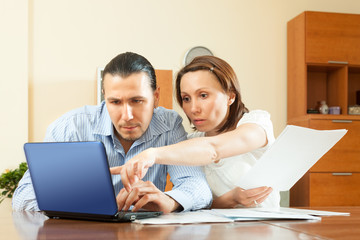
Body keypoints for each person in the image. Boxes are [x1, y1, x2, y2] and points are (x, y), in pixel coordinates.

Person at [12, 52, 212, 213]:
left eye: (137, 101)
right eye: (115, 102)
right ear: (104, 96)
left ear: (156, 96)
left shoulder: (169, 125)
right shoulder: (70, 127)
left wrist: (169, 201)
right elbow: (23, 197)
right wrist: (86, 204)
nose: (127, 116)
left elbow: (198, 188)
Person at [112, 55, 280, 208]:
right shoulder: (190, 143)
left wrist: (151, 154)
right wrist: (232, 199)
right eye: (186, 98)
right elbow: (202, 204)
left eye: (203, 95)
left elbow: (213, 149)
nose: (193, 108)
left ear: (230, 96)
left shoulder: (257, 124)